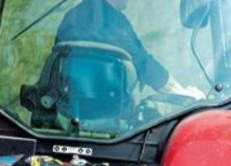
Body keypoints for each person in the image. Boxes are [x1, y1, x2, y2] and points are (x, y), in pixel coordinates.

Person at [56, 0, 204, 99]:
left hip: (69, 104)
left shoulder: (70, 18)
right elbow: (143, 64)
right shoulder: (114, 23)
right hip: (110, 107)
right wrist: (182, 92)